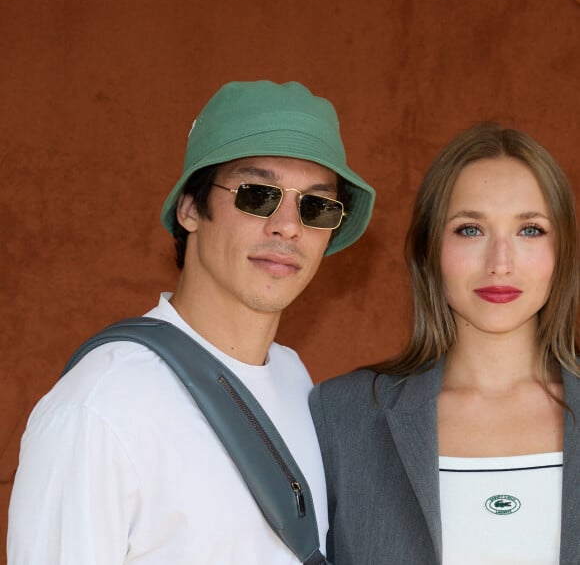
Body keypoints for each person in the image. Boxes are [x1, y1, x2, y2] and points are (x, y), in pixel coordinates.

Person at [7, 80, 375, 564]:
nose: (287, 225)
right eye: (257, 194)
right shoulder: (101, 408)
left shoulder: (294, 380)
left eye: (316, 206)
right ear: (190, 208)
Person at [309, 122, 580, 564]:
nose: (500, 263)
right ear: (428, 249)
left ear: (563, 250)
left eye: (529, 230)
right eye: (470, 230)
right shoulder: (342, 417)